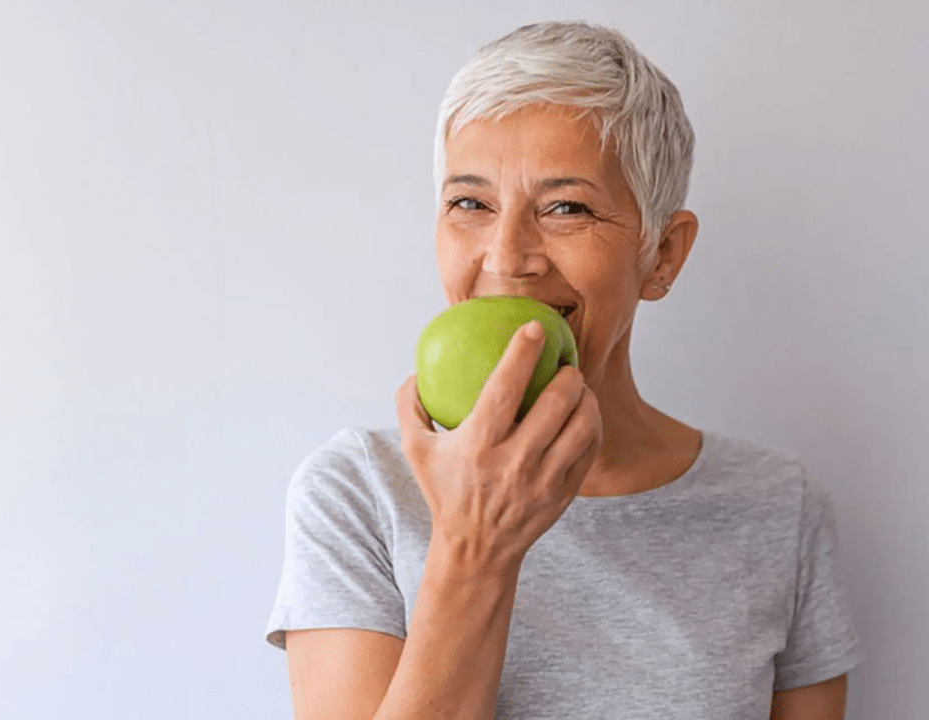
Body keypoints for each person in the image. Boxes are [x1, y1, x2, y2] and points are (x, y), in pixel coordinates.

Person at [264, 20, 863, 719]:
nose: (507, 256)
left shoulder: (778, 508)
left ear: (662, 254)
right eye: (470, 203)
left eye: (566, 208)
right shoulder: (358, 494)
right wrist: (476, 546)